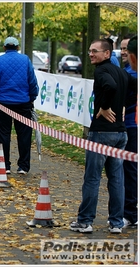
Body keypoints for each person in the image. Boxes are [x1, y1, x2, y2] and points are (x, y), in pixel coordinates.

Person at [70, 38, 137, 234]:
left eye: (95, 51)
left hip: (102, 133)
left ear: (107, 54)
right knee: (116, 179)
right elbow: (134, 86)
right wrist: (125, 104)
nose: (91, 54)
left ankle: (85, 221)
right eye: (90, 51)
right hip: (120, 133)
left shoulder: (101, 71)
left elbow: (110, 87)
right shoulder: (122, 72)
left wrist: (105, 107)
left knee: (92, 177)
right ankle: (116, 223)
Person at [0, 37, 39, 175]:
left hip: (2, 103)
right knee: (24, 135)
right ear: (17, 47)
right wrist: (32, 98)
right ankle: (23, 166)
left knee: (2, 135)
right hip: (23, 103)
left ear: (4, 47)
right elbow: (32, 81)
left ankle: (4, 165)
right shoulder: (25, 60)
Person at [120, 34, 138, 229]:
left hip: (132, 126)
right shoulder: (126, 71)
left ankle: (130, 213)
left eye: (127, 49)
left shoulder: (130, 75)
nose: (124, 52)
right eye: (122, 48)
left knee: (130, 170)